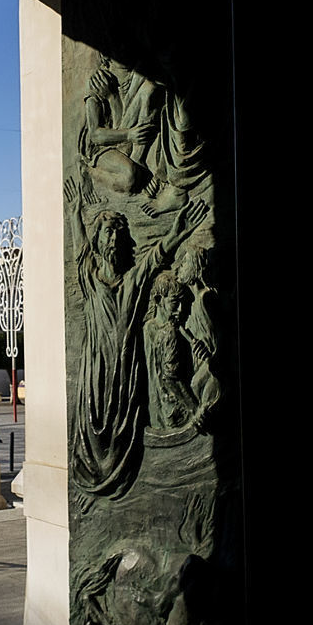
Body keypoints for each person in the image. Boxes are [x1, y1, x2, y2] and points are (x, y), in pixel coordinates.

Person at [64, 176, 207, 499]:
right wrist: (75, 212)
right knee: (92, 424)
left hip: (124, 371)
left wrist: (180, 230)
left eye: (118, 231)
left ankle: (118, 479)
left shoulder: (133, 282)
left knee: (120, 427)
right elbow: (78, 249)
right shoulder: (90, 279)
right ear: (98, 241)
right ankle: (93, 482)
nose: (113, 237)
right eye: (107, 232)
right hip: (95, 369)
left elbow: (157, 255)